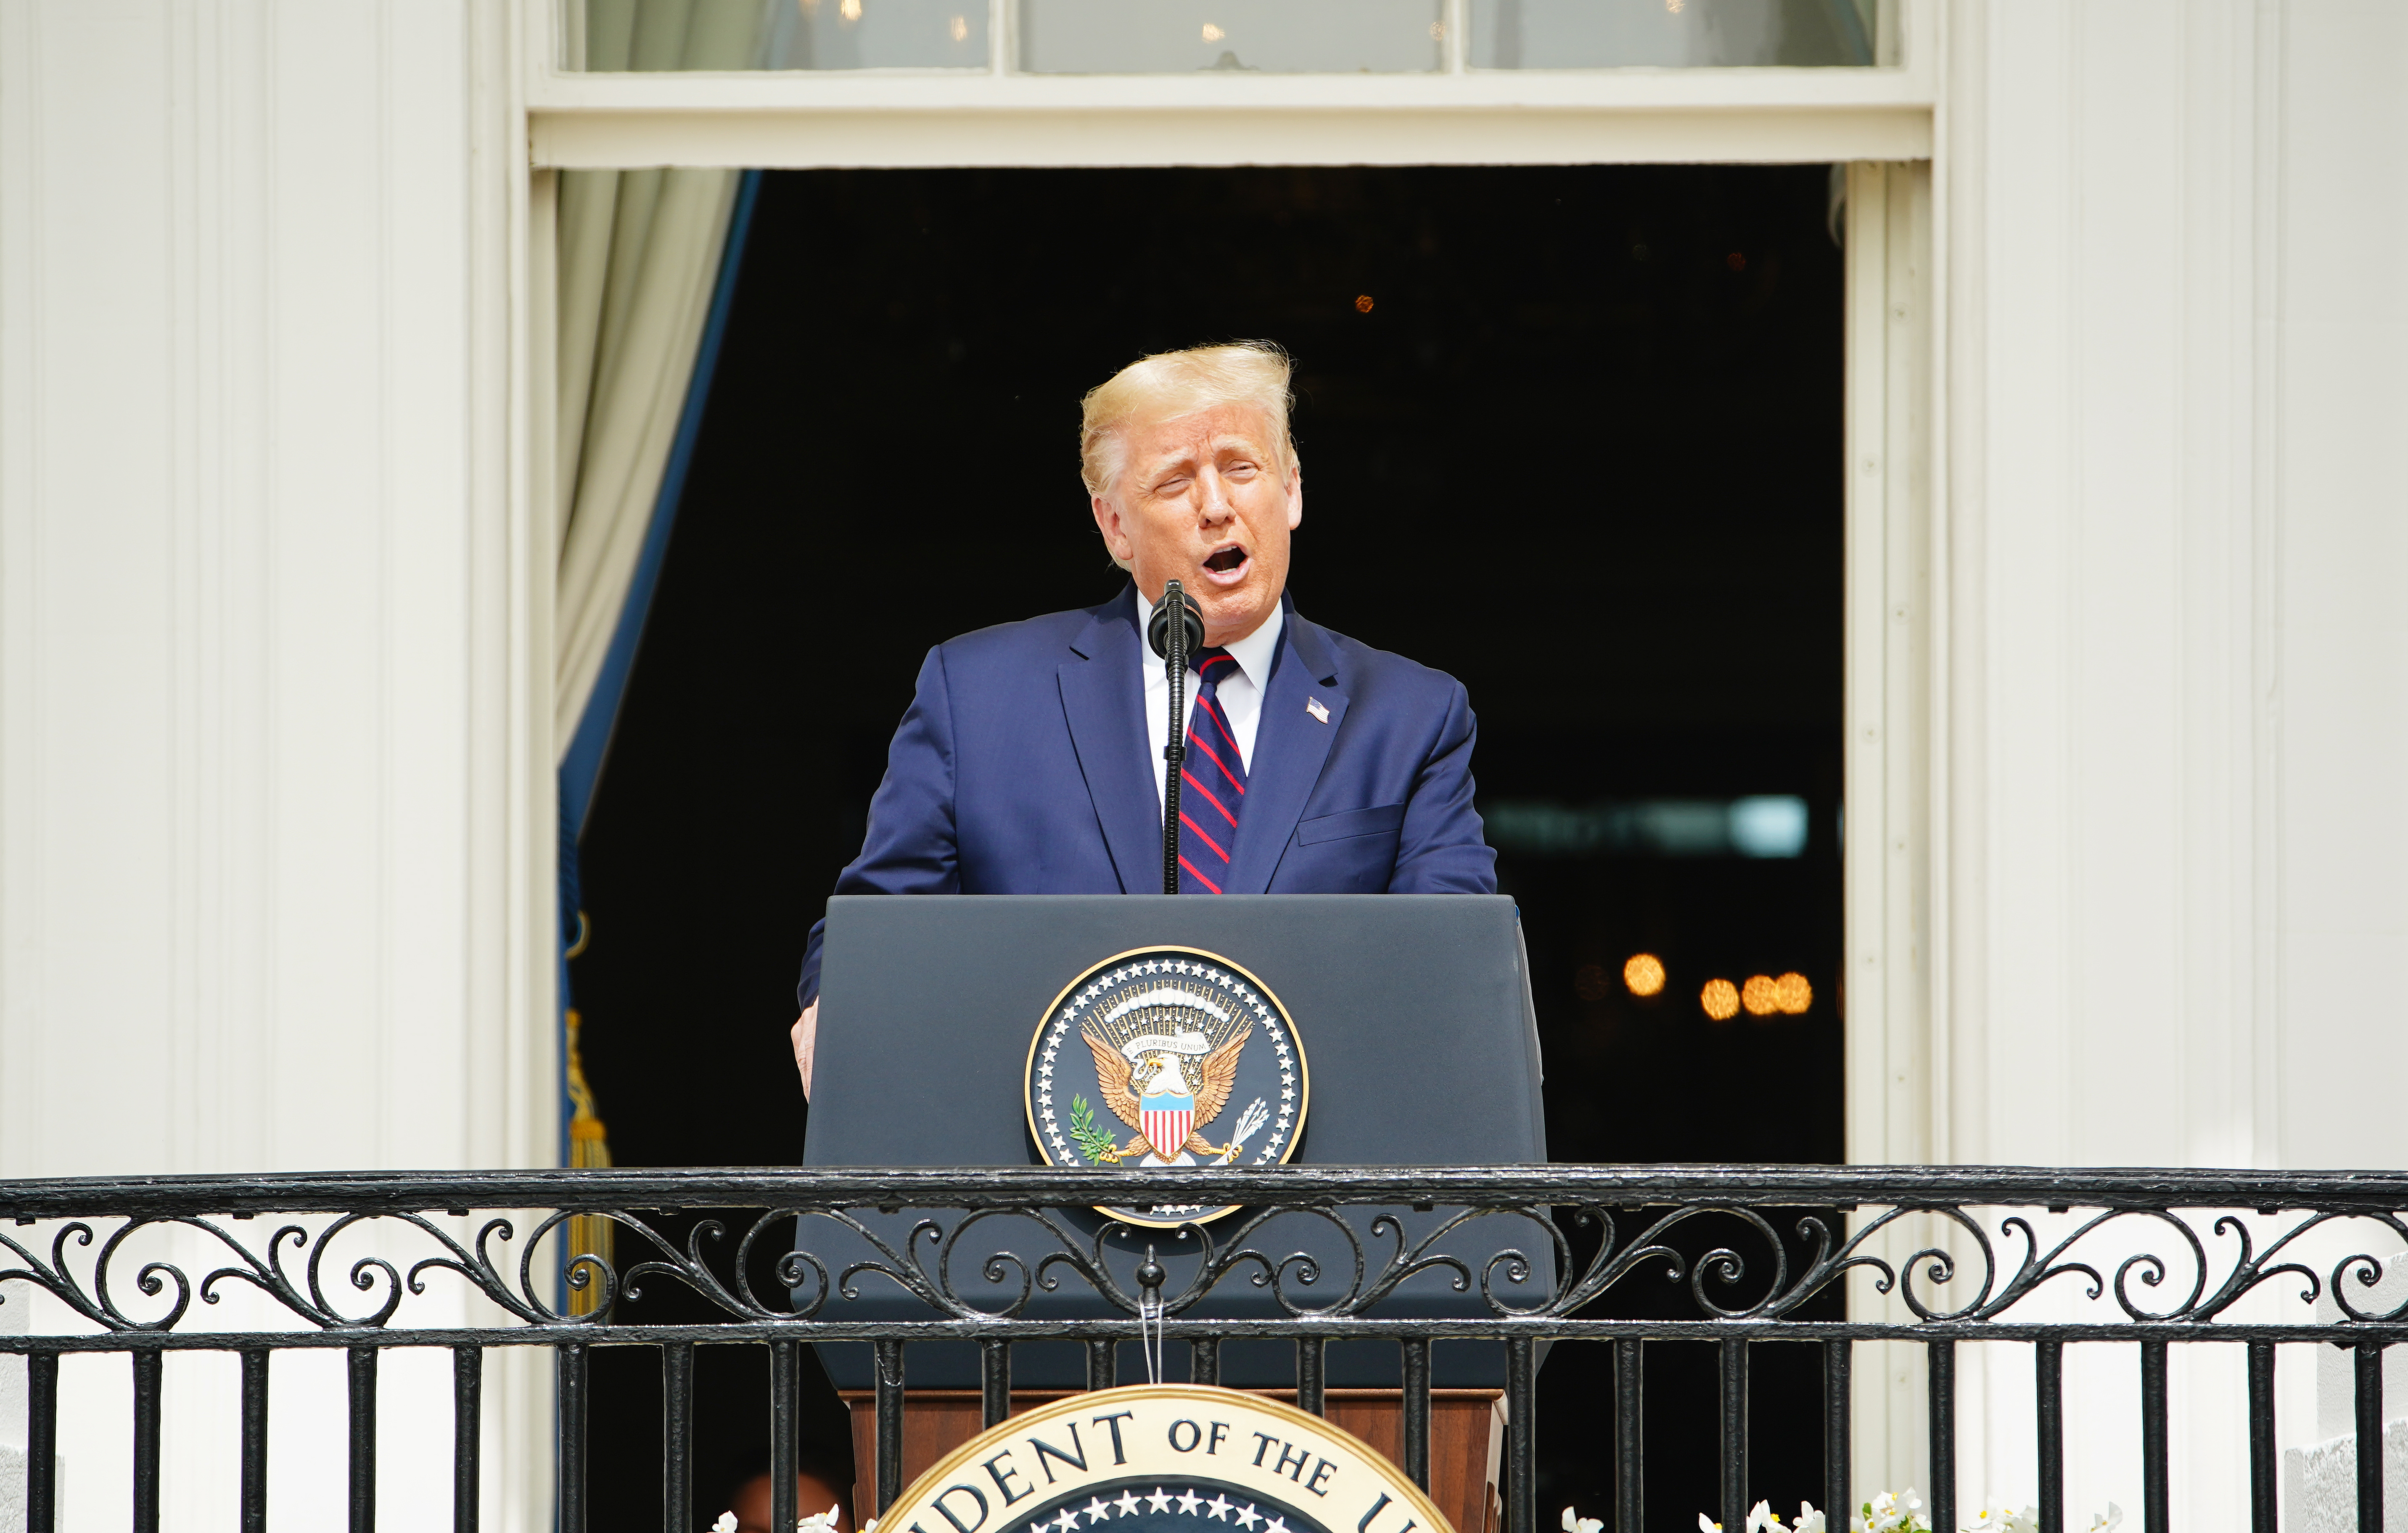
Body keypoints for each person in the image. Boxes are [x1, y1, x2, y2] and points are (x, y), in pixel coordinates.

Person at [790, 341, 1496, 1093]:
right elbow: (873, 933)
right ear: (1115, 527)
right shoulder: (977, 695)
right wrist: (839, 1002)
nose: (1217, 505)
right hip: (1041, 1185)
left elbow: (1452, 968)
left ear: (1291, 490)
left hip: (1314, 1188)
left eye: (1242, 468)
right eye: (1175, 482)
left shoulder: (1411, 716)